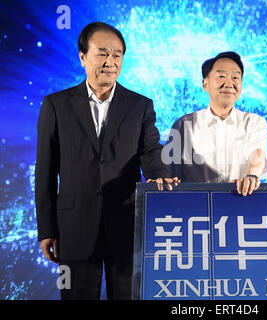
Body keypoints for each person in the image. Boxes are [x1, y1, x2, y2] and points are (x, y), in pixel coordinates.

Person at [35, 22, 178, 300]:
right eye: (102, 53)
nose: (110, 62)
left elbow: (149, 150)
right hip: (73, 226)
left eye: (117, 55)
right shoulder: (56, 105)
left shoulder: (140, 105)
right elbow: (45, 171)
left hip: (126, 224)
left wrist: (158, 174)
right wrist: (47, 228)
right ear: (83, 57)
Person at [164, 51, 267, 195]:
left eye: (235, 77)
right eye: (221, 76)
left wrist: (251, 176)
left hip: (242, 207)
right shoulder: (184, 125)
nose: (229, 83)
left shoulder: (254, 122)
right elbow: (170, 176)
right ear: (205, 83)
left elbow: (257, 155)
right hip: (195, 210)